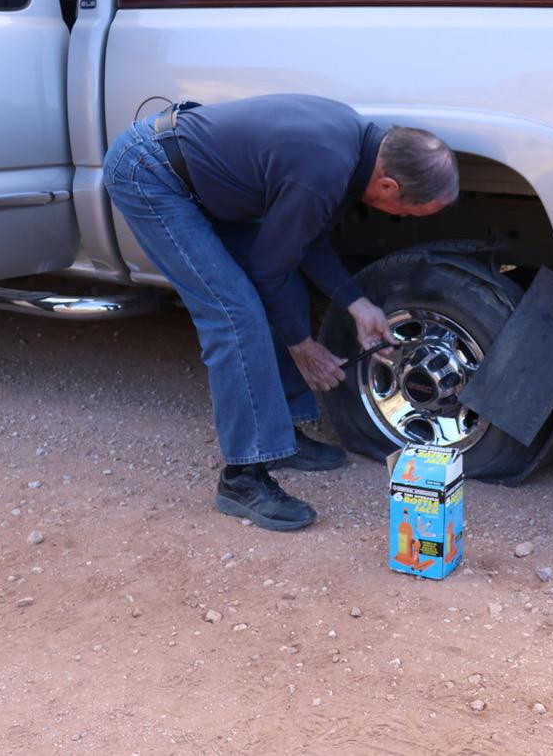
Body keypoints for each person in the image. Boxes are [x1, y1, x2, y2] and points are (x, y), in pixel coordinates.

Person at [103, 94, 457, 532]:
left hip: (201, 180)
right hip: (152, 174)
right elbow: (267, 271)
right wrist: (302, 346)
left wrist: (356, 302)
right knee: (235, 316)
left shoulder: (353, 149)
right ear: (389, 187)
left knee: (281, 290)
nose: (400, 216)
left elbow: (306, 244)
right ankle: (242, 478)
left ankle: (280, 436)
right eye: (406, 212)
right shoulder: (325, 168)